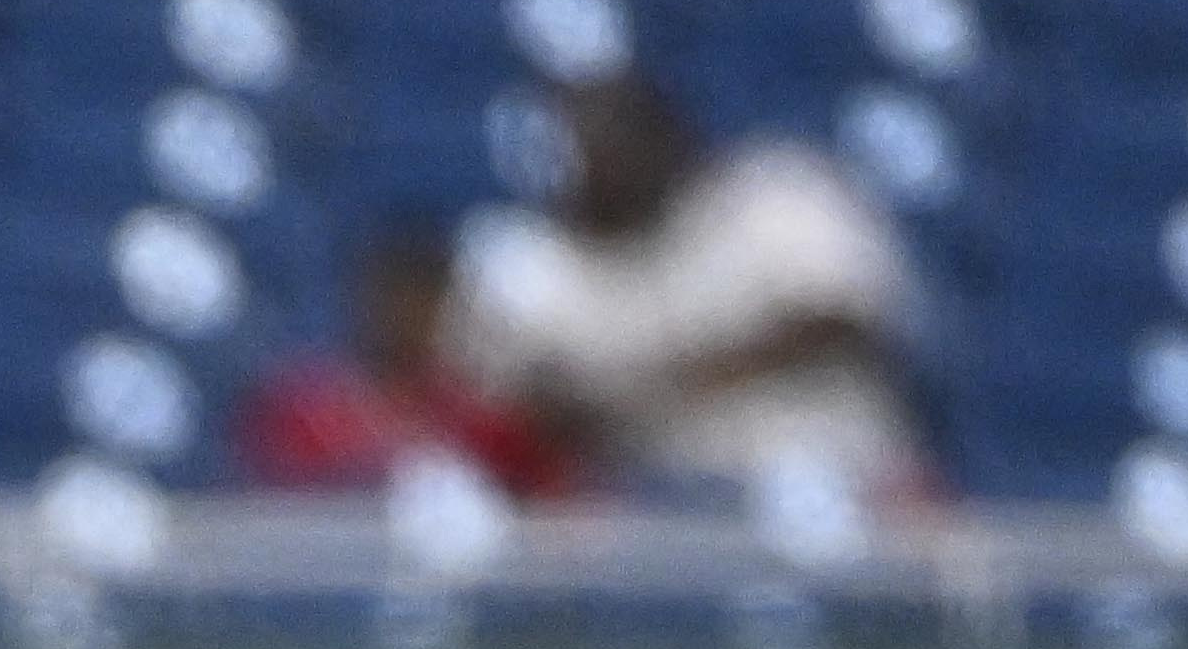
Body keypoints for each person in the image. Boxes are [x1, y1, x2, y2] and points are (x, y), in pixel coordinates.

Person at [440, 71, 918, 508]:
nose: (601, 160)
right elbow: (508, 403)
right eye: (582, 148)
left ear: (668, 136)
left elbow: (840, 320)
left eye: (618, 138)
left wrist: (657, 384)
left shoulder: (776, 193)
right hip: (650, 523)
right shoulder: (527, 261)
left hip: (840, 492)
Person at [234, 219, 572, 499]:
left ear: (442, 306)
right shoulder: (305, 411)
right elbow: (269, 515)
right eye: (395, 300)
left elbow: (557, 512)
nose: (406, 317)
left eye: (422, 302)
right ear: (366, 301)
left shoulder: (483, 418)